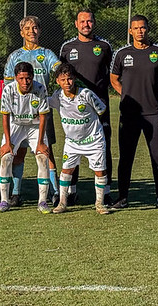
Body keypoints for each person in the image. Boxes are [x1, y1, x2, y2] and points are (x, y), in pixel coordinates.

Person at [110, 15, 158, 210]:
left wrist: (155, 95)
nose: (140, 31)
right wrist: (127, 96)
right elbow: (114, 79)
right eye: (136, 28)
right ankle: (122, 197)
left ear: (148, 29)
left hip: (152, 113)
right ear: (130, 31)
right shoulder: (122, 54)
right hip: (129, 114)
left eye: (143, 28)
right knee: (126, 156)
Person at [4, 16, 61, 207]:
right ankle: (16, 193)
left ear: (40, 31)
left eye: (35, 27)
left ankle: (55, 192)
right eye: (27, 28)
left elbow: (57, 68)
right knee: (18, 153)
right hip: (19, 113)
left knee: (46, 151)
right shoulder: (14, 57)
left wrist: (64, 70)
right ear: (21, 33)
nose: (31, 31)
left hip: (41, 111)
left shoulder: (47, 54)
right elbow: (7, 84)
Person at [59, 10, 114, 205]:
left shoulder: (105, 46)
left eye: (89, 21)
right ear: (76, 24)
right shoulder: (67, 47)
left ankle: (105, 193)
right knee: (74, 147)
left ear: (94, 23)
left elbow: (113, 74)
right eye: (82, 21)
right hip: (73, 109)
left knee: (103, 147)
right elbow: (62, 74)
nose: (86, 25)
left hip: (99, 106)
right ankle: (71, 193)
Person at [47, 63, 110, 215]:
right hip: (72, 142)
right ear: (57, 81)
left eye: (69, 79)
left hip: (93, 140)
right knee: (66, 171)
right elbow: (45, 103)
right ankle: (62, 202)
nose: (67, 83)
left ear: (74, 79)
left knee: (100, 172)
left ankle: (99, 203)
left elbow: (101, 109)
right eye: (63, 80)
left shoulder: (86, 94)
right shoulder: (58, 96)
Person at [0, 62, 52, 214]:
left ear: (32, 77)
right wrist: (7, 142)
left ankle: (42, 201)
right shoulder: (8, 90)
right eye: (21, 78)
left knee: (42, 158)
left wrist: (40, 143)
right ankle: (4, 201)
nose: (25, 82)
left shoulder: (40, 88)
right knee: (6, 157)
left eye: (28, 78)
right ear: (16, 78)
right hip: (16, 126)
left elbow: (43, 117)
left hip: (34, 127)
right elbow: (5, 117)